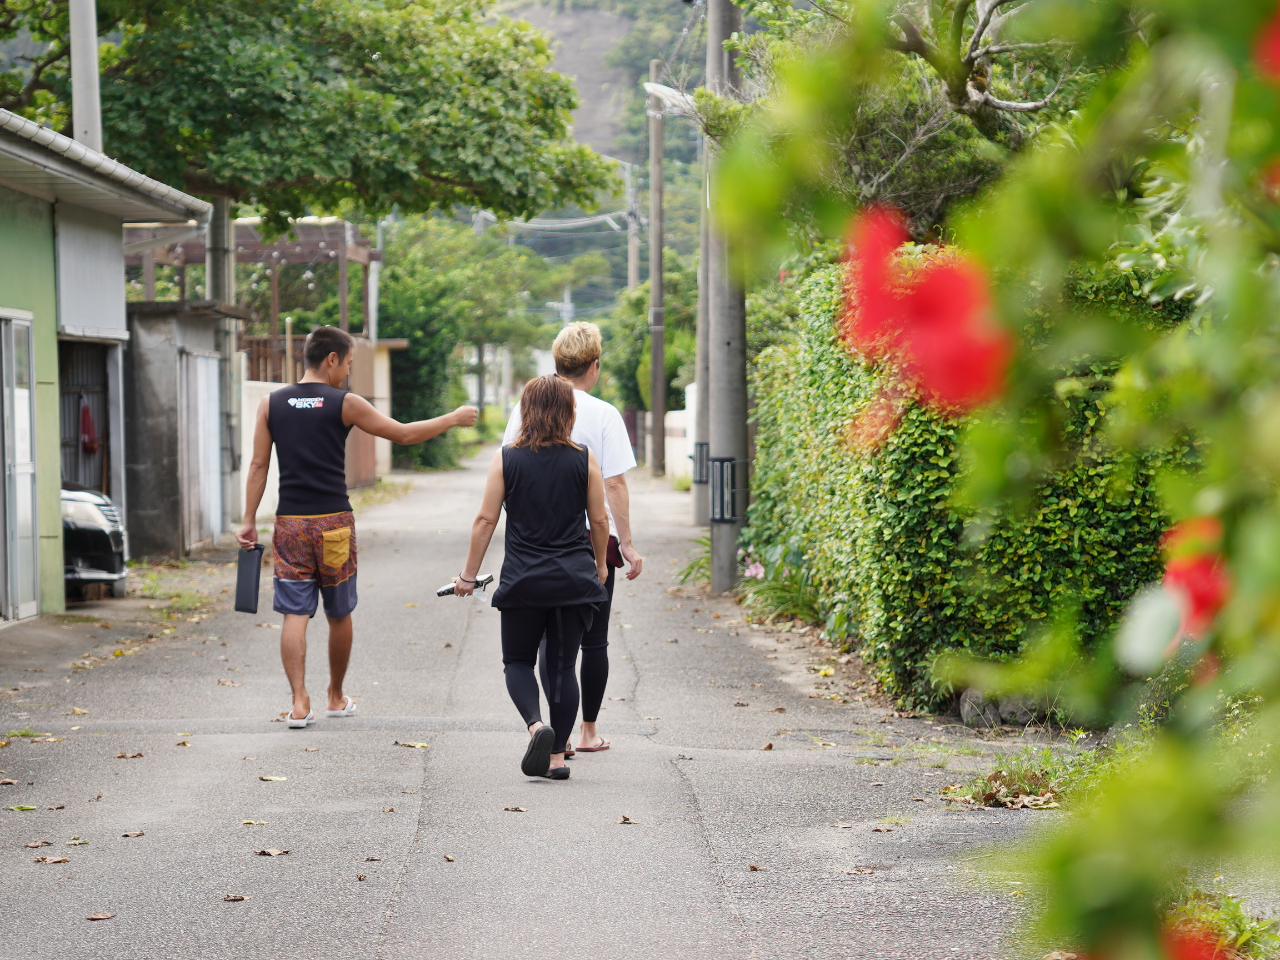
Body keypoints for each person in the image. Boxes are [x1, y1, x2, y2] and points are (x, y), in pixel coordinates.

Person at [236, 326, 477, 728]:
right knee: (338, 611)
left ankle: (298, 703)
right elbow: (402, 434)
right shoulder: (343, 402)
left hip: (291, 524)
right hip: (333, 523)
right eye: (347, 363)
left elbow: (259, 465)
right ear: (331, 359)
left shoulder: (270, 404)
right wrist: (452, 418)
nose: (347, 372)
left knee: (294, 613)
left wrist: (248, 519)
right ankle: (335, 696)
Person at [455, 374, 610, 779]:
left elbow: (486, 519)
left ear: (526, 411)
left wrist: (468, 576)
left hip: (524, 580)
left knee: (518, 661)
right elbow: (598, 519)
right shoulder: (584, 458)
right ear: (569, 412)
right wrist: (600, 564)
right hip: (573, 581)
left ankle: (536, 726)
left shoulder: (507, 458)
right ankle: (557, 758)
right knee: (562, 668)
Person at [501, 321, 643, 754]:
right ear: (594, 366)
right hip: (590, 539)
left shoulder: (526, 408)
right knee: (594, 640)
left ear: (557, 362)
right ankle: (586, 732)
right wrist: (628, 543)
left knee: (548, 643)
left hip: (538, 540)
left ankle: (549, 733)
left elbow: (508, 471)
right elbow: (614, 485)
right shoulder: (604, 413)